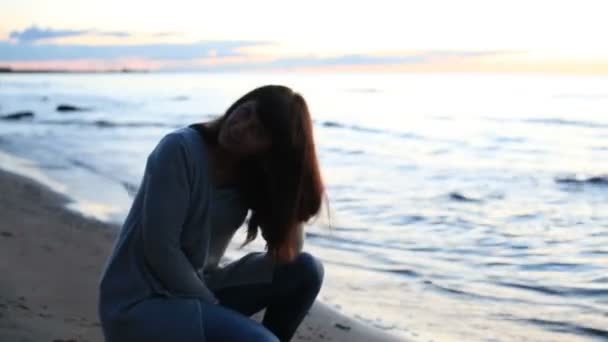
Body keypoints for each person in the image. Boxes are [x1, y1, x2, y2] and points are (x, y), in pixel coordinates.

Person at [97, 85, 326, 342]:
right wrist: (212, 307)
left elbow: (287, 254)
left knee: (306, 270)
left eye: (257, 131)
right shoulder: (180, 149)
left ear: (270, 150)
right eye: (245, 112)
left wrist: (288, 181)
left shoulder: (250, 173)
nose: (240, 128)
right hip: (141, 300)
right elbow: (161, 249)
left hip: (199, 288)